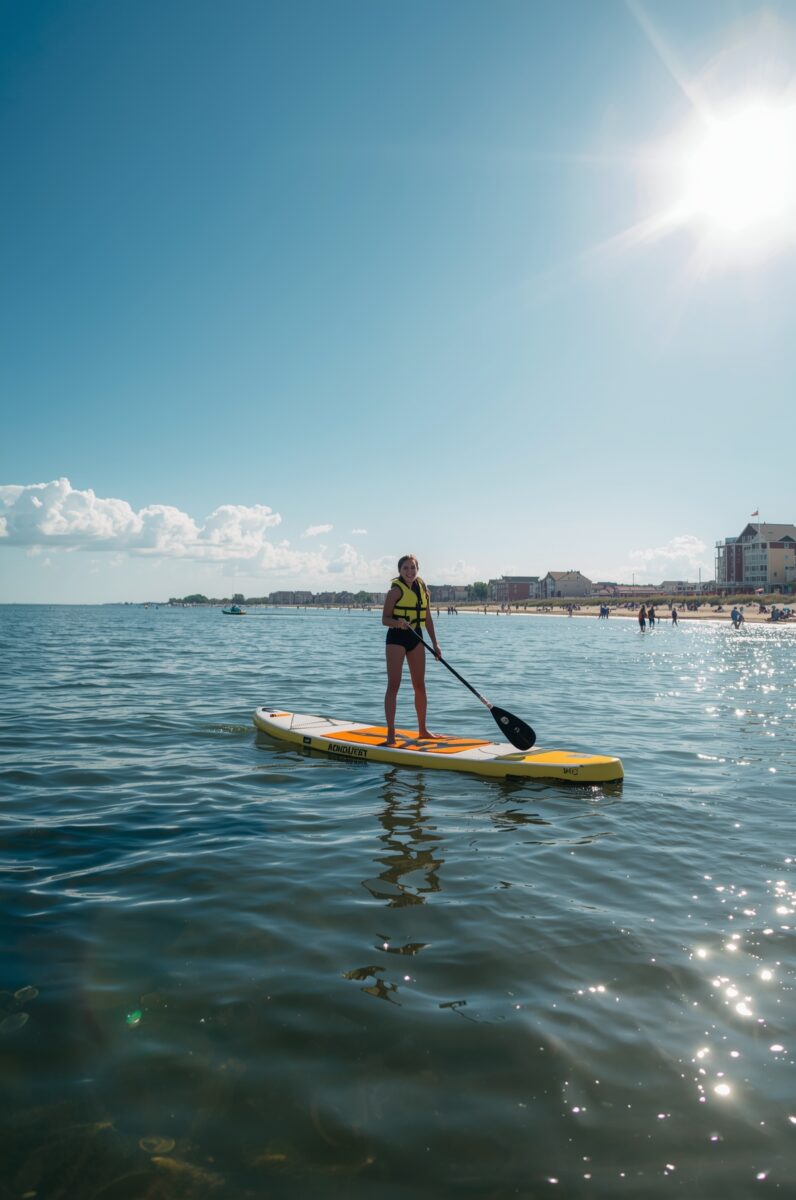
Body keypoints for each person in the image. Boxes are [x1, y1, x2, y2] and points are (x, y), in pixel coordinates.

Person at [382, 554, 441, 745]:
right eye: (405, 568)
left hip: (416, 637)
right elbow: (385, 619)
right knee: (394, 685)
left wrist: (435, 643)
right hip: (397, 638)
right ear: (399, 571)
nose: (410, 572)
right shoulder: (395, 592)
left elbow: (428, 619)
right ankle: (391, 732)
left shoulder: (424, 589)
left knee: (420, 685)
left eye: (413, 568)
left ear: (418, 569)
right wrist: (398, 623)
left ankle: (422, 730)